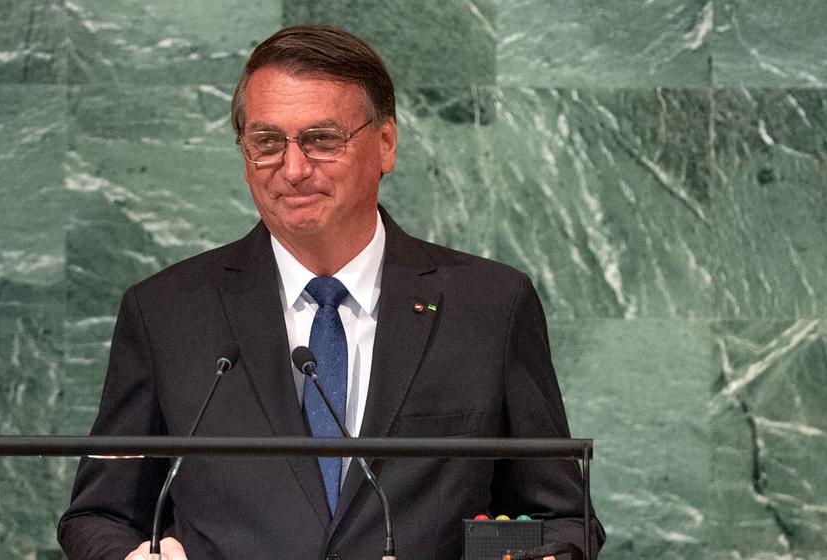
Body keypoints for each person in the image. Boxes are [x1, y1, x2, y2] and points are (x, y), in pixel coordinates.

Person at [57, 25, 604, 560]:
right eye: (267, 142)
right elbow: (100, 515)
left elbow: (562, 518)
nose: (292, 169)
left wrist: (546, 555)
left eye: (321, 140)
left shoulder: (489, 305)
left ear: (385, 143)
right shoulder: (167, 313)